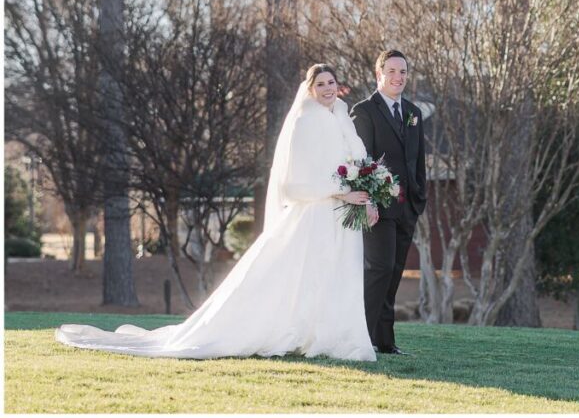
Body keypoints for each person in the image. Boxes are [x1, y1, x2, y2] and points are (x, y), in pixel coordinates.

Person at [55, 64, 377, 361]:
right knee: (298, 278)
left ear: (339, 85)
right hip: (315, 217)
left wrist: (368, 197)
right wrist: (340, 191)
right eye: (319, 84)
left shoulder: (341, 117)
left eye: (331, 82)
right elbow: (294, 185)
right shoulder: (305, 122)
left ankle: (333, 338)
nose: (327, 88)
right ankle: (295, 334)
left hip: (343, 216)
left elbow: (357, 163)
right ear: (309, 89)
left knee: (336, 278)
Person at [350, 50, 427, 355]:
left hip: (407, 207)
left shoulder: (413, 112)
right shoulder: (364, 111)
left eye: (403, 72)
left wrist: (419, 196)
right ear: (378, 74)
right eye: (392, 71)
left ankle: (384, 341)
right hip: (377, 208)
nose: (398, 77)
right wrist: (368, 201)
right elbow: (361, 161)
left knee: (394, 272)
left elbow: (417, 159)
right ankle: (362, 339)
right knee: (378, 269)